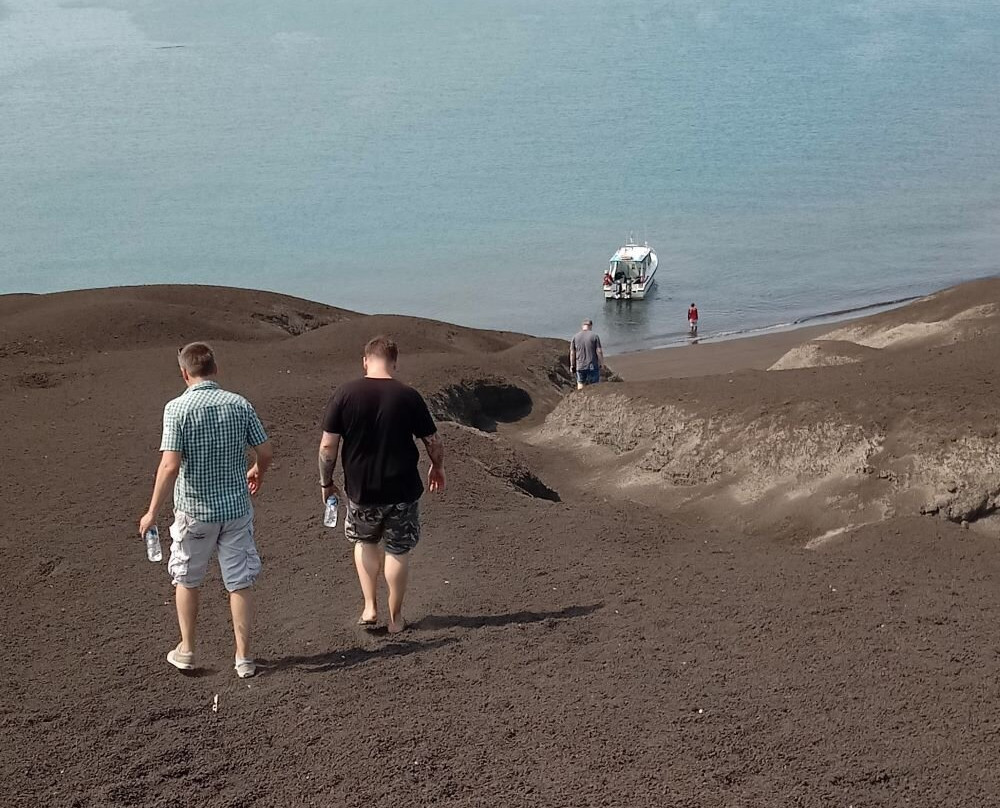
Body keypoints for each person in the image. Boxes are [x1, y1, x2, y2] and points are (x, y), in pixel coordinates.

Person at [138, 342, 273, 679]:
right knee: (238, 581)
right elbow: (266, 448)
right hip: (236, 508)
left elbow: (170, 465)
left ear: (185, 373)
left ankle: (186, 649)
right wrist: (258, 469)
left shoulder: (177, 409)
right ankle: (243, 657)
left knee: (187, 578)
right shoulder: (238, 404)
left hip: (195, 510)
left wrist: (152, 511)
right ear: (216, 369)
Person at [317, 336, 445, 634]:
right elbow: (433, 441)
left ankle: (370, 607)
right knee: (398, 551)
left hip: (361, 491)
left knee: (365, 543)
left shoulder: (344, 394)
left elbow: (327, 447)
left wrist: (326, 482)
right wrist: (437, 467)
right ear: (394, 363)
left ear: (365, 360)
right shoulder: (408, 396)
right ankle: (396, 618)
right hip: (402, 490)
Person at [569, 318, 604, 389]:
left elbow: (572, 353)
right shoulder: (595, 336)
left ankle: (580, 398)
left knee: (580, 383)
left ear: (582, 326)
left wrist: (572, 365)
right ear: (590, 326)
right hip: (592, 365)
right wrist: (601, 363)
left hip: (580, 365)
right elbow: (599, 351)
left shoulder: (575, 337)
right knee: (594, 385)